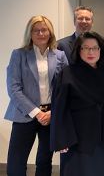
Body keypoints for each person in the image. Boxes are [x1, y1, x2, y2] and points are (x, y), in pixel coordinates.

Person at [50, 31, 104, 176]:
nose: (91, 52)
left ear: (100, 50)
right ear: (79, 50)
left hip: (102, 136)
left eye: (94, 48)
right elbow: (59, 108)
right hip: (74, 136)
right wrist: (60, 139)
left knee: (100, 171)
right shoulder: (67, 73)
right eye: (85, 48)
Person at [5, 15, 68, 176]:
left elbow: (67, 87)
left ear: (50, 32)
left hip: (50, 114)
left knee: (44, 160)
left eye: (44, 29)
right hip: (25, 113)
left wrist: (52, 113)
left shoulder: (59, 55)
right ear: (30, 33)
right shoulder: (18, 55)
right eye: (36, 30)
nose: (41, 33)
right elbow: (14, 89)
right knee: (16, 161)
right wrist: (37, 113)